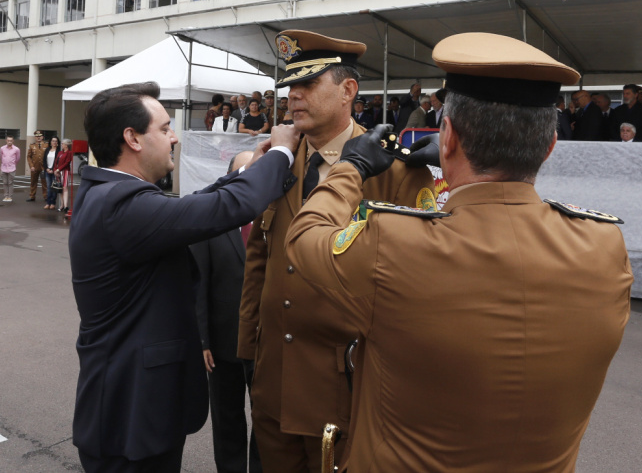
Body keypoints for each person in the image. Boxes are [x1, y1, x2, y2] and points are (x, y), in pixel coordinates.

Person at [283, 32, 632, 472]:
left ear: (446, 137)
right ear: (549, 147)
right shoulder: (604, 246)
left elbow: (306, 235)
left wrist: (350, 166)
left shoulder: (392, 245)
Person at [68, 81, 300, 472]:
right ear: (133, 139)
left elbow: (196, 205)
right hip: (130, 420)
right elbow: (226, 207)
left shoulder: (112, 195)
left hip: (137, 412)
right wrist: (280, 151)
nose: (174, 137)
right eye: (164, 128)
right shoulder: (120, 205)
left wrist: (254, 166)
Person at [238, 30, 433, 473]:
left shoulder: (396, 171)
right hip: (274, 382)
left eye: (308, 84)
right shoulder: (280, 160)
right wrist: (248, 350)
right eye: (290, 87)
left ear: (348, 90)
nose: (294, 97)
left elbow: (414, 287)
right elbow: (260, 257)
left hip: (347, 392)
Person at [190, 150, 263, 473]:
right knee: (227, 418)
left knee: (265, 422)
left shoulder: (275, 217)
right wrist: (202, 340)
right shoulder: (212, 222)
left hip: (267, 344)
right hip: (222, 345)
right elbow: (199, 283)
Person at [26, 130, 50, 202]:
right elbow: (29, 157)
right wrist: (31, 166)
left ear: (42, 137)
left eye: (40, 136)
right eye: (37, 136)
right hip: (34, 167)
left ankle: (46, 196)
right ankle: (32, 196)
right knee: (33, 182)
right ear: (35, 137)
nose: (38, 138)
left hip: (43, 167)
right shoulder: (32, 145)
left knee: (44, 182)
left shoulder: (46, 145)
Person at [0, 135, 22, 202]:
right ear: (6, 140)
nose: (9, 142)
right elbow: (1, 157)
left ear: (13, 141)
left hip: (12, 168)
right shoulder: (2, 148)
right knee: (5, 183)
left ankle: (10, 196)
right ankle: (6, 196)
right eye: (8, 140)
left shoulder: (16, 149)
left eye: (11, 141)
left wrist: (13, 164)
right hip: (3, 168)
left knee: (10, 183)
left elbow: (18, 159)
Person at [54, 139, 74, 212]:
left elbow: (67, 162)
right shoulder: (60, 152)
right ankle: (62, 205)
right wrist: (55, 170)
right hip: (58, 172)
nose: (61, 145)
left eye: (62, 143)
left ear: (66, 145)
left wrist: (58, 169)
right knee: (60, 188)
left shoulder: (69, 153)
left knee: (65, 188)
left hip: (65, 171)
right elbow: (56, 161)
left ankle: (66, 206)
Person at [43, 137, 61, 210]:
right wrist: (46, 168)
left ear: (57, 143)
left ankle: (53, 203)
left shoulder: (59, 151)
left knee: (54, 187)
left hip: (55, 171)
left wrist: (54, 170)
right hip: (47, 171)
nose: (54, 142)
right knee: (48, 187)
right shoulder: (47, 150)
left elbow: (58, 161)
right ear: (50, 142)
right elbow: (44, 160)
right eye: (53, 141)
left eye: (55, 141)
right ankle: (48, 203)